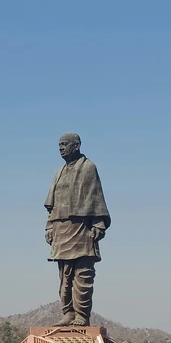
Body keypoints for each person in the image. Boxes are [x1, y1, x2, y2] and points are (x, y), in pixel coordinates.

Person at [44, 133, 111, 326]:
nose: (61, 148)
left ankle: (81, 315)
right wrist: (49, 227)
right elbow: (51, 206)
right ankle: (68, 313)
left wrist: (98, 223)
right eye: (59, 145)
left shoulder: (88, 167)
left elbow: (95, 196)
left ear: (77, 145)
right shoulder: (59, 172)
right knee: (64, 276)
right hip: (61, 228)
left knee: (82, 274)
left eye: (65, 144)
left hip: (81, 228)